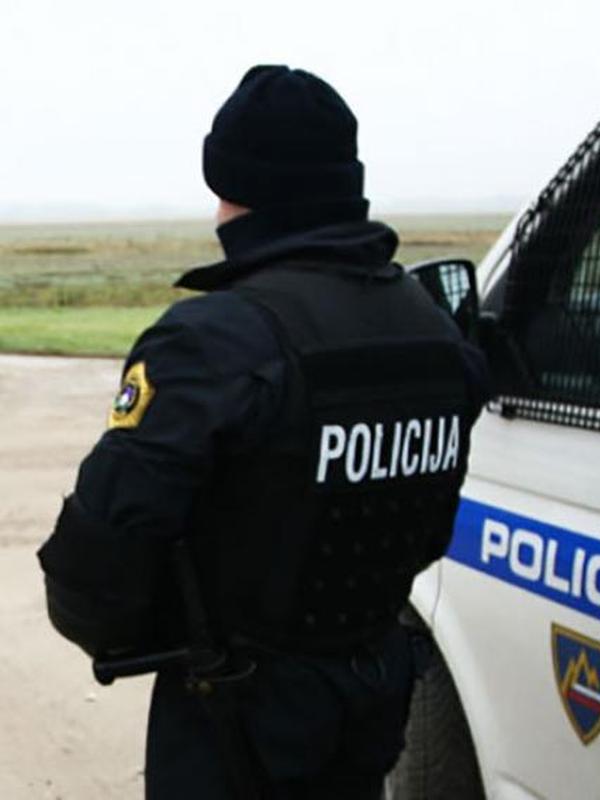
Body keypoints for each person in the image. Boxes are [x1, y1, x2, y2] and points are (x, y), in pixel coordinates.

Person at [37, 65, 489, 799]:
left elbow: (99, 560)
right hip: (372, 693)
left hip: (237, 715)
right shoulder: (433, 329)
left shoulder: (215, 339)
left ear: (233, 189)